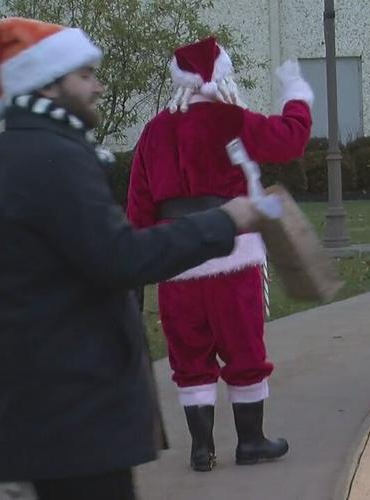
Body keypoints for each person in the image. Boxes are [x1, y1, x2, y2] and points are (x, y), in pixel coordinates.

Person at [0, 17, 266, 499]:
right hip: (76, 407)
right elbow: (119, 256)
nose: (98, 86)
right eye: (84, 75)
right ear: (49, 83)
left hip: (39, 404)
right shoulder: (55, 158)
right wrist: (221, 223)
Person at [127, 37, 313, 471]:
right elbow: (290, 140)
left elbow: (138, 203)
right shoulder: (232, 121)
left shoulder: (154, 131)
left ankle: (200, 448)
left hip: (175, 262)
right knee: (244, 350)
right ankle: (251, 441)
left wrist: (140, 258)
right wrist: (297, 97)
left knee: (189, 357)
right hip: (233, 252)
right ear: (221, 76)